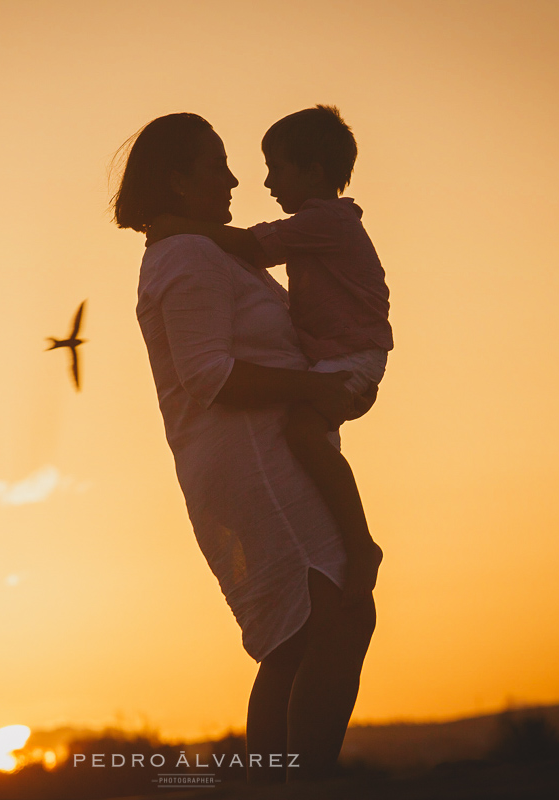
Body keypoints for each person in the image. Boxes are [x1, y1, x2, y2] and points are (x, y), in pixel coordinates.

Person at [114, 112, 378, 783]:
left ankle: (280, 787)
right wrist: (316, 389)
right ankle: (302, 788)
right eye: (216, 166)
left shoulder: (197, 252)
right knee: (339, 614)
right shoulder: (185, 257)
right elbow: (211, 375)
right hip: (255, 463)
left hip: (264, 457)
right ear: (176, 182)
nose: (234, 179)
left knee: (299, 640)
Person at [145, 106, 391, 610]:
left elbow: (255, 245)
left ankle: (361, 542)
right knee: (328, 619)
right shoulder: (319, 226)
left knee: (306, 434)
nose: (260, 180)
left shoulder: (323, 222)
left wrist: (177, 225)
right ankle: (358, 543)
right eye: (222, 167)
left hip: (350, 357)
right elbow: (209, 371)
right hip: (340, 360)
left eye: (276, 168)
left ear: (314, 173)